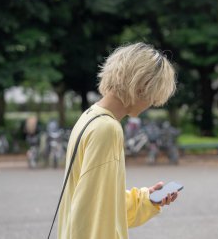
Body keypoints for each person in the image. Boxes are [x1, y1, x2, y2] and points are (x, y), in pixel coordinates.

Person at [58, 42, 178, 239]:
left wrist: (146, 200)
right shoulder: (108, 129)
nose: (151, 104)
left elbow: (101, 202)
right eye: (153, 97)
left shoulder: (90, 117)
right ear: (142, 87)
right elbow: (91, 214)